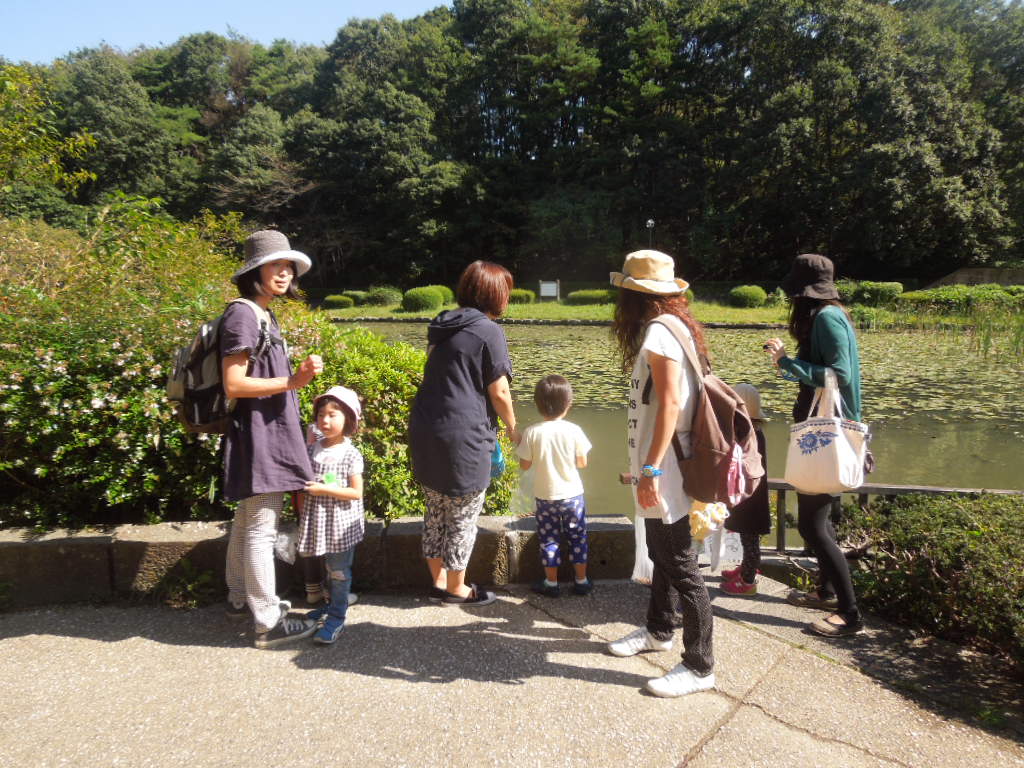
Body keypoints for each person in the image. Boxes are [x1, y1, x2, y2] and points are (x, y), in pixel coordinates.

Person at [605, 250, 716, 698]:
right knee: (661, 551)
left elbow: (670, 403)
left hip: (666, 465)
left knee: (680, 562)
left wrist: (650, 468)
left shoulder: (659, 331)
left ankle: (700, 666)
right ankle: (658, 630)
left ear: (634, 296)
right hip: (660, 462)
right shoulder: (675, 326)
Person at [221, 229, 323, 648]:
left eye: (288, 266)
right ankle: (267, 621)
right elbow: (234, 383)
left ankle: (237, 596)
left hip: (267, 431)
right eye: (274, 266)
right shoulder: (243, 314)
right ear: (254, 271)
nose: (284, 273)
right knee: (262, 526)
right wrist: (293, 381)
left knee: (248, 519)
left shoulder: (264, 314)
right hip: (259, 436)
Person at [408, 261, 520, 607]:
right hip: (464, 436)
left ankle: (438, 581)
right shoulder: (488, 331)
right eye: (506, 291)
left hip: (427, 428)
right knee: (463, 514)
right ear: (494, 294)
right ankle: (457, 589)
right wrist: (513, 427)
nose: (508, 298)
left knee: (436, 509)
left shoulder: (440, 324)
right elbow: (499, 391)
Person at [765, 253, 864, 638]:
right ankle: (825, 592)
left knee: (811, 525)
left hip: (826, 433)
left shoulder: (827, 318)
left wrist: (787, 362)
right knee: (819, 522)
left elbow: (840, 375)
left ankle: (850, 614)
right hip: (823, 431)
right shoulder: (830, 315)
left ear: (802, 292)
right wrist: (785, 362)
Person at [297, 386, 365, 645]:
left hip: (340, 525)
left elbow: (356, 493)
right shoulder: (312, 449)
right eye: (321, 415)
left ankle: (337, 616)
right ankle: (331, 604)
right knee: (329, 566)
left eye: (332, 415)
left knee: (338, 570)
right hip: (319, 521)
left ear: (348, 418)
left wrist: (324, 489)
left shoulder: (350, 454)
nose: (325, 420)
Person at [516, 375, 593, 597]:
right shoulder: (575, 430)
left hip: (545, 496)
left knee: (549, 538)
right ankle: (581, 581)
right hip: (573, 495)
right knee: (577, 536)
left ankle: (551, 583)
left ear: (537, 404)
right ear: (568, 404)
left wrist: (520, 442)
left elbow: (525, 464)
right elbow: (582, 463)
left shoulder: (532, 432)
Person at [720, 382, 770, 596]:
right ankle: (745, 569)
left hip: (750, 494)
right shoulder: (756, 431)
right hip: (751, 492)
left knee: (750, 538)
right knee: (747, 535)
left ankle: (748, 581)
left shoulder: (747, 433)